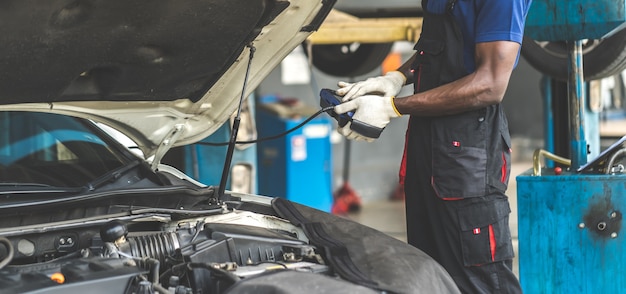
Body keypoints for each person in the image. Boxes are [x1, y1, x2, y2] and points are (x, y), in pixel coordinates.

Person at [332, 0, 532, 293]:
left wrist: (392, 107)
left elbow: (490, 83)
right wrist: (397, 77)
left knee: (479, 281)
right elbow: (436, 47)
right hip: (426, 144)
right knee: (427, 275)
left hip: (469, 154)